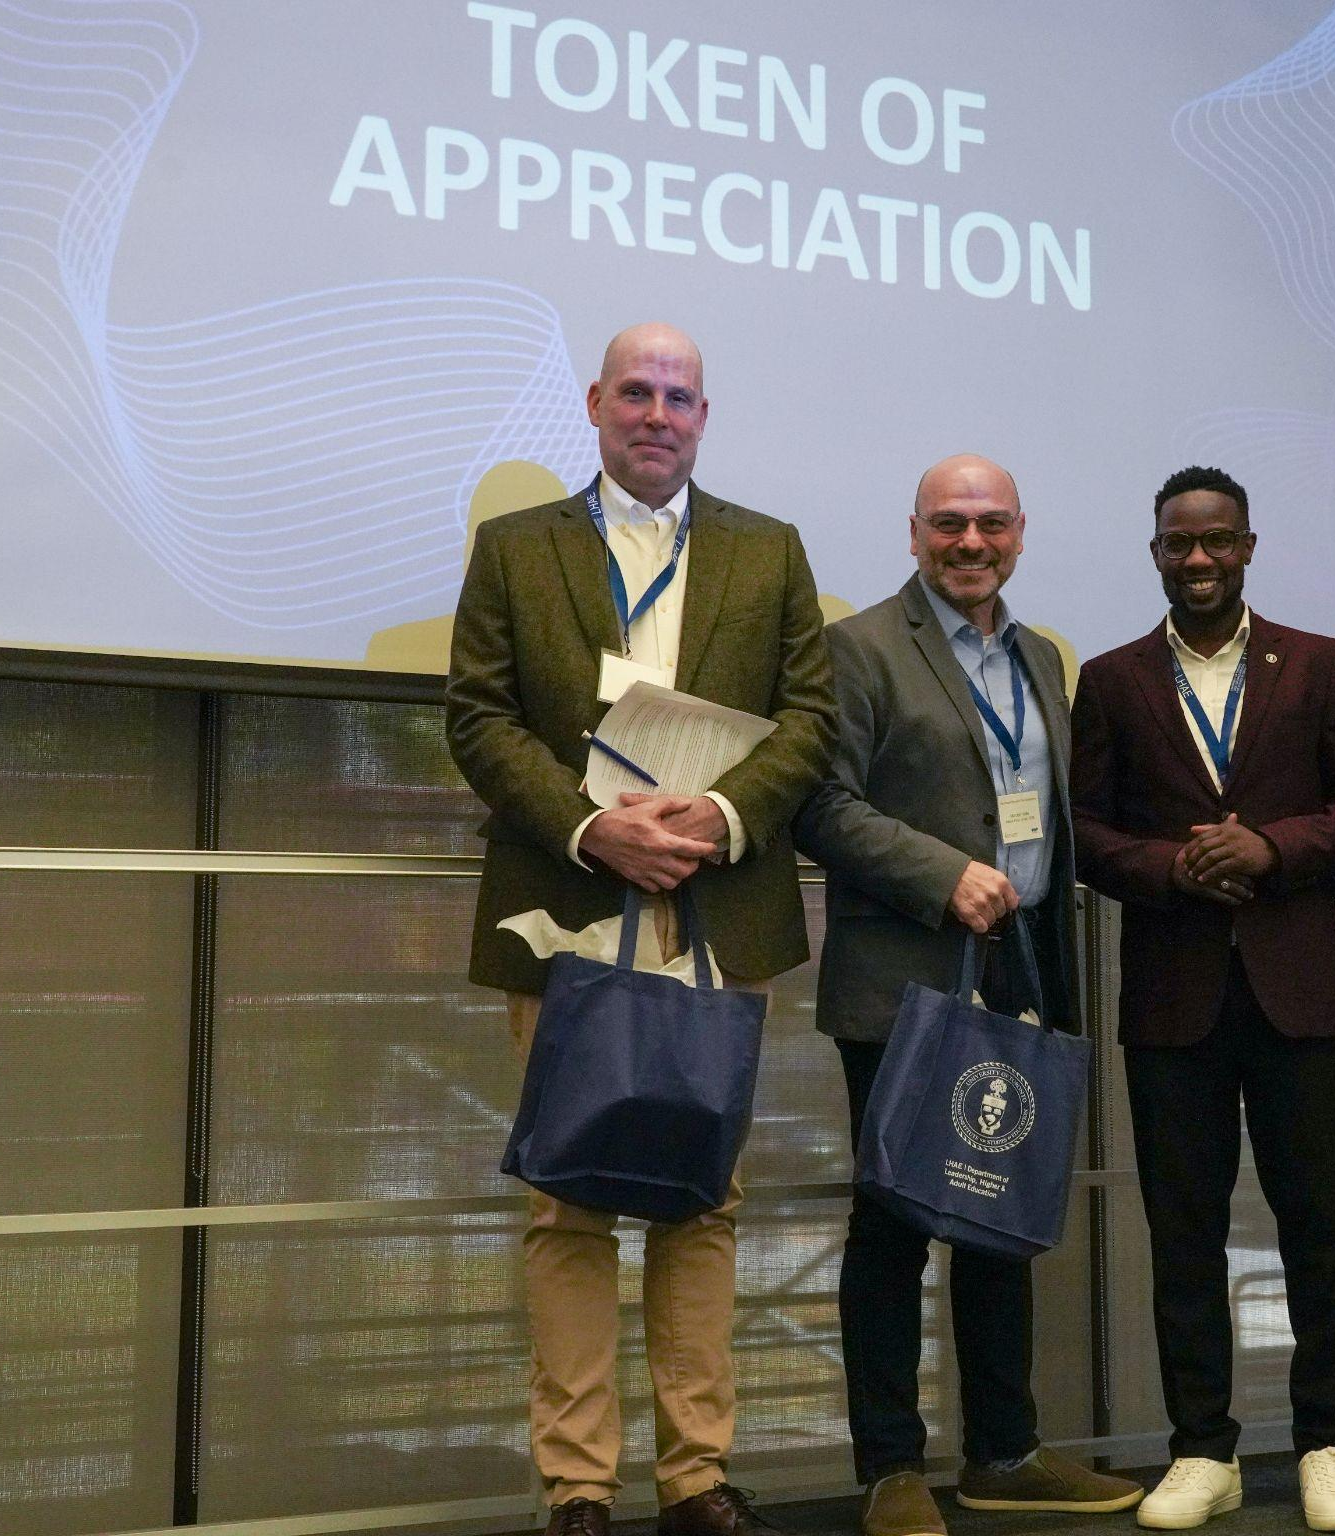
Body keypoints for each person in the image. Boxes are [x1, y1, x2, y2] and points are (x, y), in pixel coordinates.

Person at [446, 323, 835, 1536]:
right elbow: (477, 714)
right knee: (566, 1202)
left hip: (710, 908)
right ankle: (575, 1485)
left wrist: (719, 815)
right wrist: (586, 826)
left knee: (701, 1201)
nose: (657, 413)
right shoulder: (514, 548)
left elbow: (808, 721)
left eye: (679, 396)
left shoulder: (769, 551)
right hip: (564, 902)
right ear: (595, 405)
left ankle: (694, 1477)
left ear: (704, 417)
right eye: (635, 392)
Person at [794, 454, 1144, 1536]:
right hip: (900, 977)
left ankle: (1003, 1453)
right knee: (893, 1220)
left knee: (998, 1215)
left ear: (1020, 534)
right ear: (911, 534)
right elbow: (817, 804)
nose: (969, 543)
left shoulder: (1041, 657)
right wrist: (940, 872)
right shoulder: (854, 649)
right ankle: (891, 1467)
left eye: (990, 523)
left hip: (1017, 967)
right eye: (947, 524)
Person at [1069, 466, 1335, 1532]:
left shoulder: (1317, 663)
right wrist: (1172, 868)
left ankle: (1324, 1443)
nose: (1196, 559)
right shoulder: (1111, 680)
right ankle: (1201, 1449)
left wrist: (1269, 845)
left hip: (1298, 991)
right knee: (1182, 1233)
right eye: (1176, 544)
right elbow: (1088, 832)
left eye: (1215, 541)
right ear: (1154, 552)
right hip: (1173, 1000)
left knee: (1314, 1229)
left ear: (1247, 546)